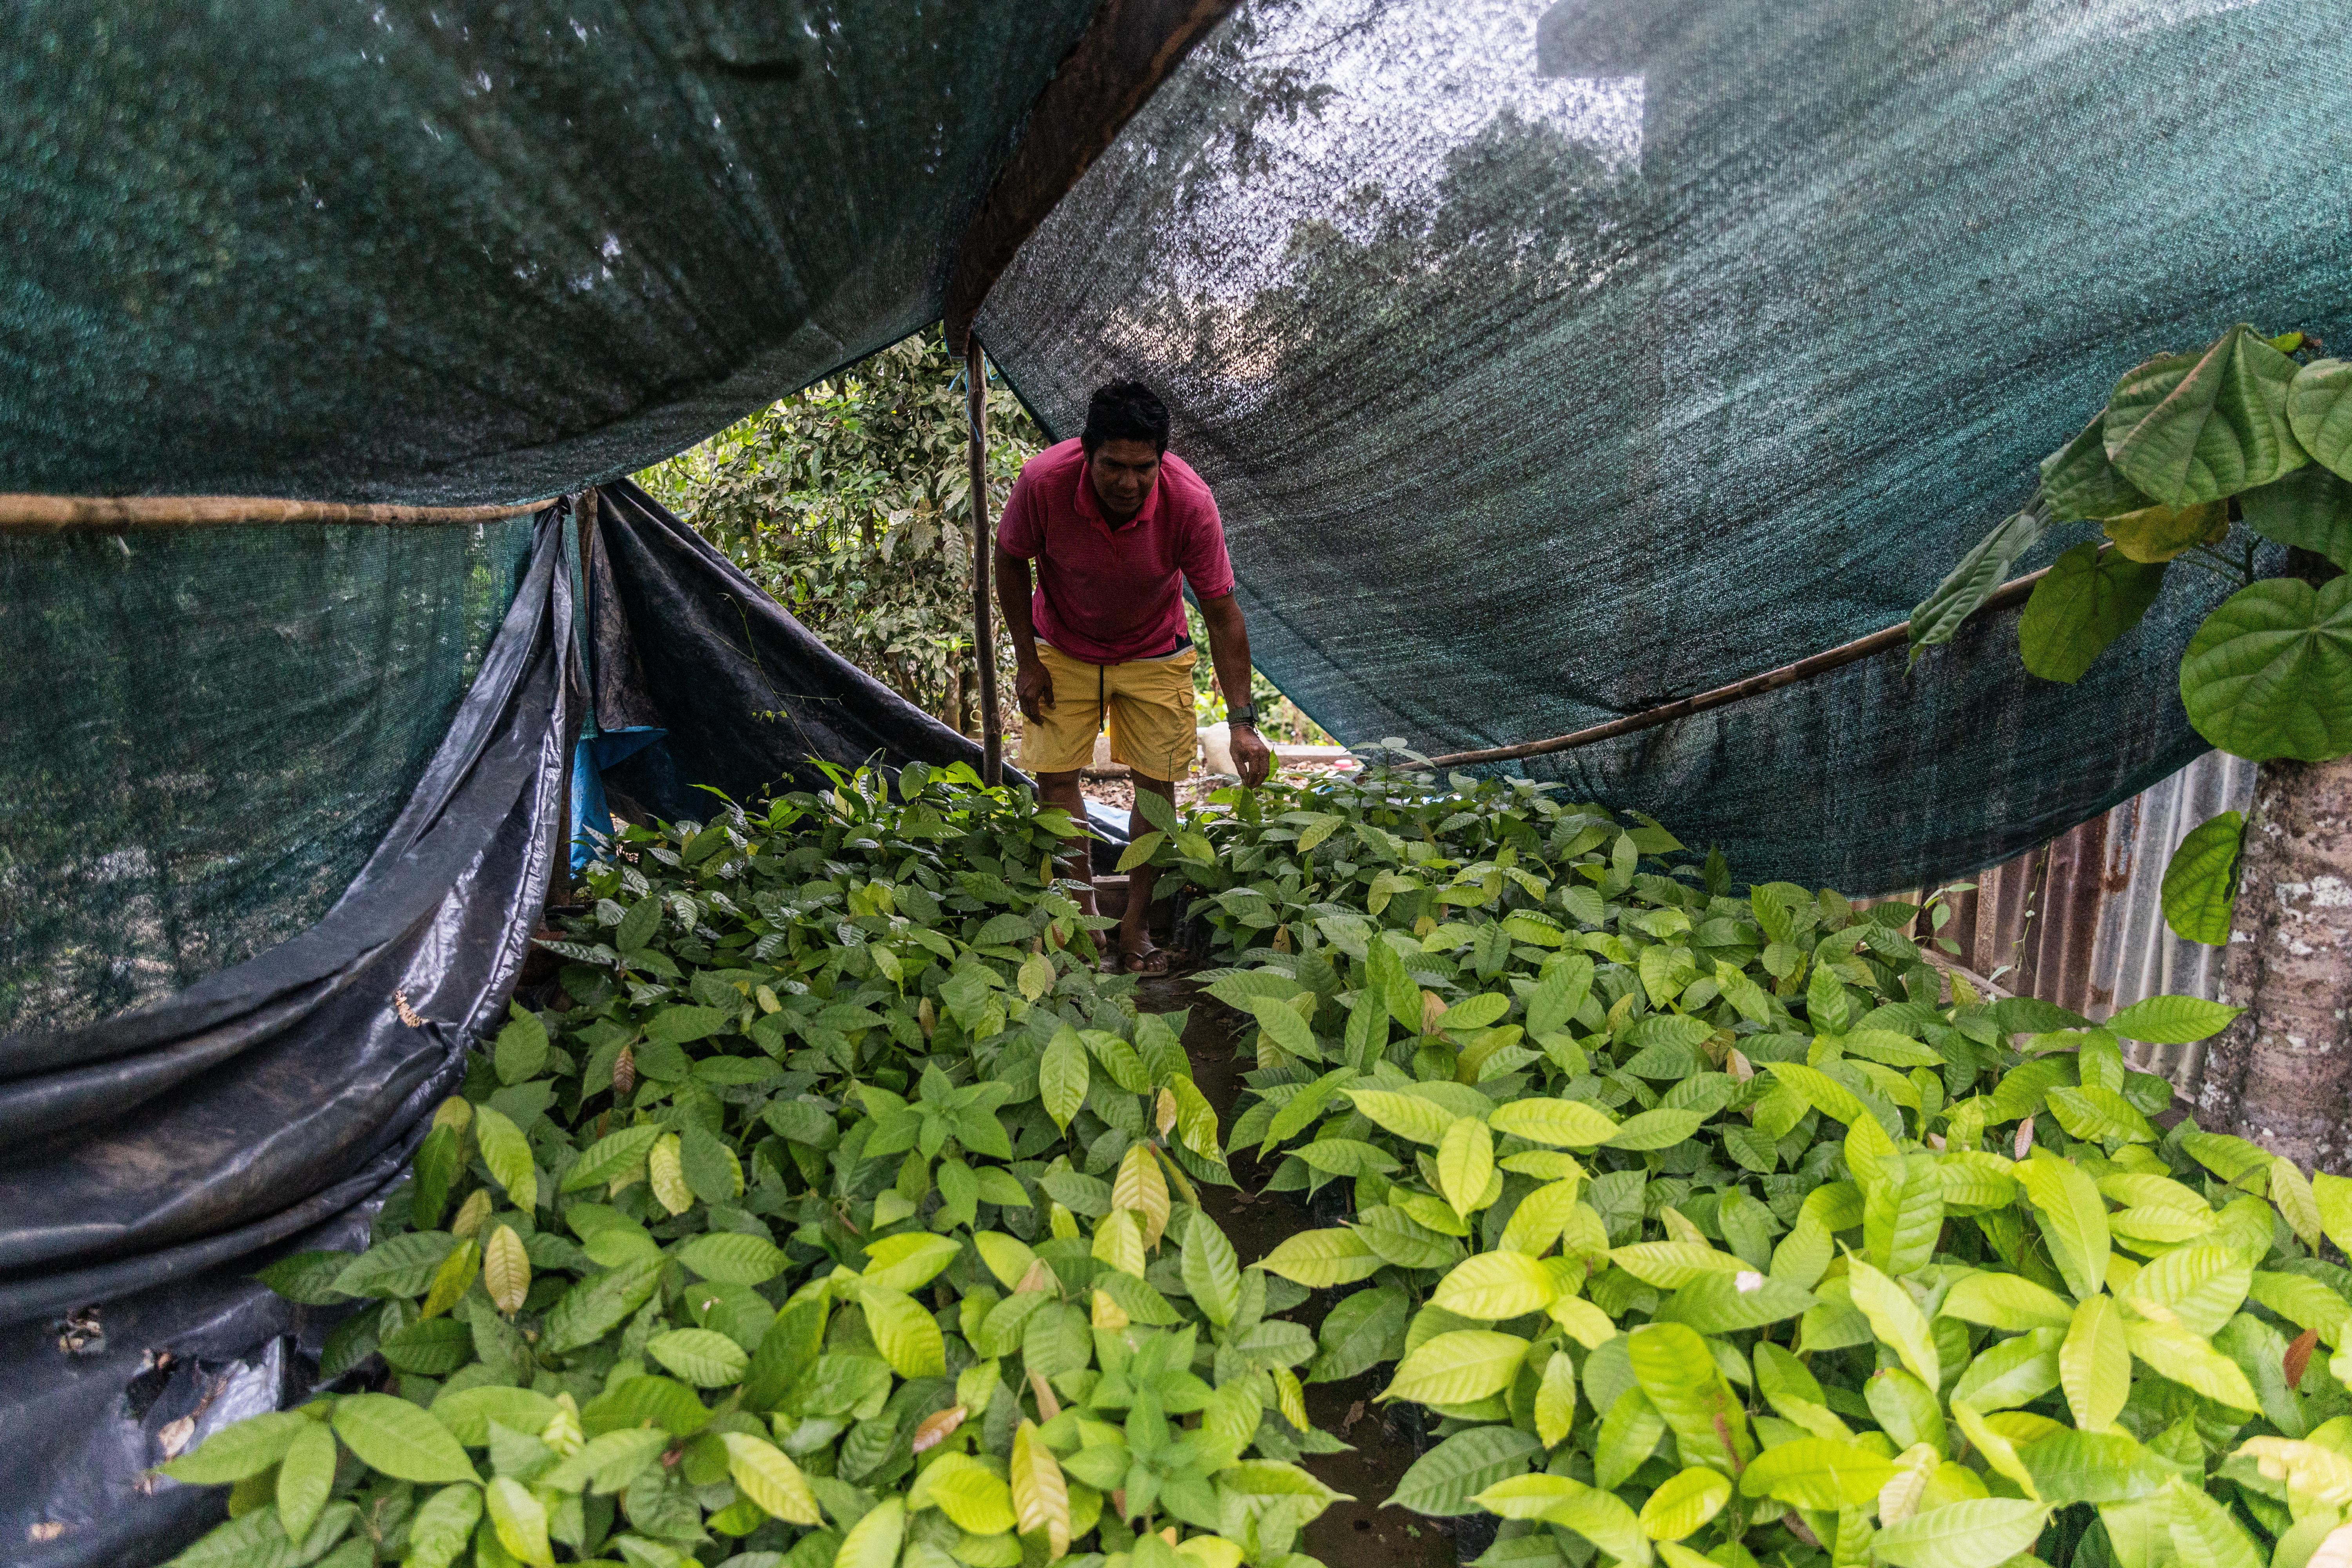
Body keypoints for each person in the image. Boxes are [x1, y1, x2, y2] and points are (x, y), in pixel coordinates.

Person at [995, 380, 1272, 975]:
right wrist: (1026, 659)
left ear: (1162, 460)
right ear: (1085, 453)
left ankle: (1136, 928)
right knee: (1055, 776)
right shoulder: (1042, 482)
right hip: (1061, 645)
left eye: (1143, 468)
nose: (1128, 482)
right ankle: (1084, 926)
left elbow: (1223, 614)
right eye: (1112, 466)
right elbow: (1009, 559)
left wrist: (1244, 723)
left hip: (1154, 648)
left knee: (1159, 786)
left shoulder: (1190, 503)